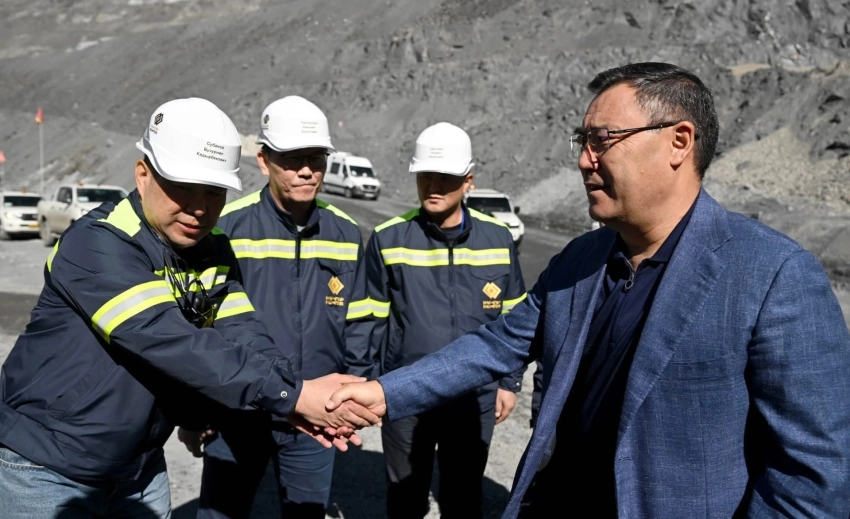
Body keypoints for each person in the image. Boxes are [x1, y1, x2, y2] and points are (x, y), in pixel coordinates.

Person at [328, 63, 850, 518]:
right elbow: (494, 345)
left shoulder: (773, 275)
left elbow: (812, 478)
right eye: (583, 142)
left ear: (679, 141)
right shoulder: (579, 260)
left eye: (602, 140)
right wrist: (382, 393)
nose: (584, 160)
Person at [0, 97, 378, 519]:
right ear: (143, 174)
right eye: (183, 186)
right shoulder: (97, 244)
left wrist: (294, 395)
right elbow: (172, 342)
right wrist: (293, 395)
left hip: (139, 469)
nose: (199, 207)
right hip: (46, 469)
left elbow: (244, 332)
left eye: (214, 191)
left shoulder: (211, 248)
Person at [181, 96, 373, 519]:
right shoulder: (227, 227)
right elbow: (199, 327)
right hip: (237, 411)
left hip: (317, 411)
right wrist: (194, 412)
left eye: (316, 158)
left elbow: (359, 321)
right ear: (264, 160)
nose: (306, 170)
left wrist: (354, 394)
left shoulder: (345, 232)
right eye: (292, 159)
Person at [364, 122, 527, 518]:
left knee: (463, 499)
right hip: (405, 392)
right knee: (405, 499)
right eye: (425, 176)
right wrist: (370, 384)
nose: (433, 186)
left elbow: (515, 318)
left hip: (473, 394)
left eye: (446, 178)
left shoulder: (498, 239)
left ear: (468, 180)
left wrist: (509, 383)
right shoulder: (389, 238)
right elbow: (368, 320)